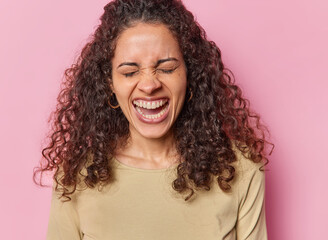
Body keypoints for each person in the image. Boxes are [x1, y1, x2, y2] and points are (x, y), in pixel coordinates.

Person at [34, 0, 273, 239]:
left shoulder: (239, 169)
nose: (149, 85)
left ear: (190, 73)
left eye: (167, 68)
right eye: (129, 72)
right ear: (109, 83)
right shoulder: (76, 177)